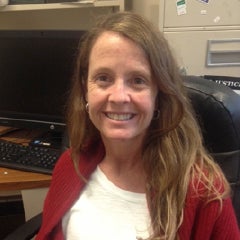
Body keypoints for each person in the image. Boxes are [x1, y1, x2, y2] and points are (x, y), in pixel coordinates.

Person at [36, 12, 240, 240]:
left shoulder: (204, 191)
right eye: (103, 78)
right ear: (85, 88)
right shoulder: (69, 165)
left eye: (138, 80)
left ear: (159, 93)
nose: (119, 97)